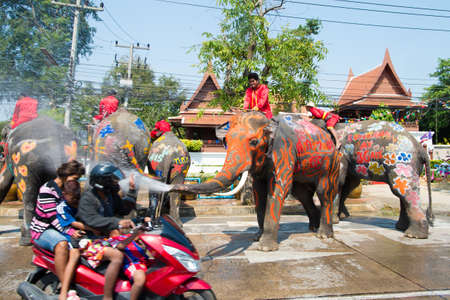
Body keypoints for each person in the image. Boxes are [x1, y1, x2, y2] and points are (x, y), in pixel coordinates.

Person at [76, 162, 136, 300]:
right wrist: (117, 222)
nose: (116, 182)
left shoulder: (109, 195)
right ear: (102, 182)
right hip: (87, 240)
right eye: (113, 179)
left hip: (104, 239)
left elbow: (123, 209)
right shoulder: (88, 198)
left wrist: (132, 191)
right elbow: (92, 220)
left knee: (135, 248)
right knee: (117, 256)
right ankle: (107, 296)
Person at [30, 160, 86, 286]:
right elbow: (53, 218)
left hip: (61, 227)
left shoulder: (69, 189)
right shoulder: (47, 190)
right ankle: (66, 285)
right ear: (66, 175)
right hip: (43, 229)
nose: (76, 181)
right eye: (75, 178)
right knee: (62, 244)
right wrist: (70, 232)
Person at [79, 227, 148, 300]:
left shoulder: (133, 239)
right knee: (140, 278)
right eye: (116, 229)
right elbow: (120, 246)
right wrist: (134, 235)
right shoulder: (112, 239)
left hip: (143, 263)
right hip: (132, 264)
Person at [56, 180, 98, 300]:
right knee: (74, 254)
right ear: (64, 194)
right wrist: (91, 228)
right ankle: (65, 290)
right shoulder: (62, 207)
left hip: (83, 233)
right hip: (68, 234)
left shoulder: (82, 202)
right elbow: (72, 223)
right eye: (73, 199)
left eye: (77, 198)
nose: (75, 201)